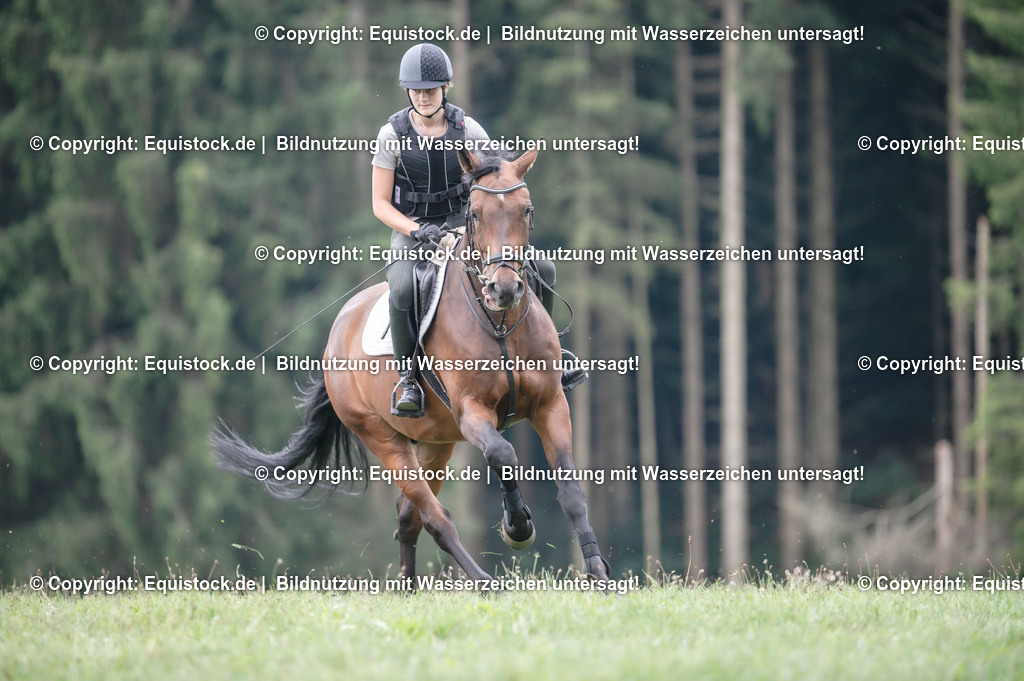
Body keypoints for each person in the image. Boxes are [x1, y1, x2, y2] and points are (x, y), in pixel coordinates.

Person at [371, 43, 585, 417]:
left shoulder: (467, 129)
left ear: (446, 88)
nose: (423, 97)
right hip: (413, 229)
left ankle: (552, 356)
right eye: (417, 91)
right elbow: (380, 204)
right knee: (403, 286)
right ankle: (407, 379)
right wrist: (417, 230)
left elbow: (498, 176)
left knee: (544, 268)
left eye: (431, 90)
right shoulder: (391, 135)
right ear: (407, 91)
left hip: (466, 223)